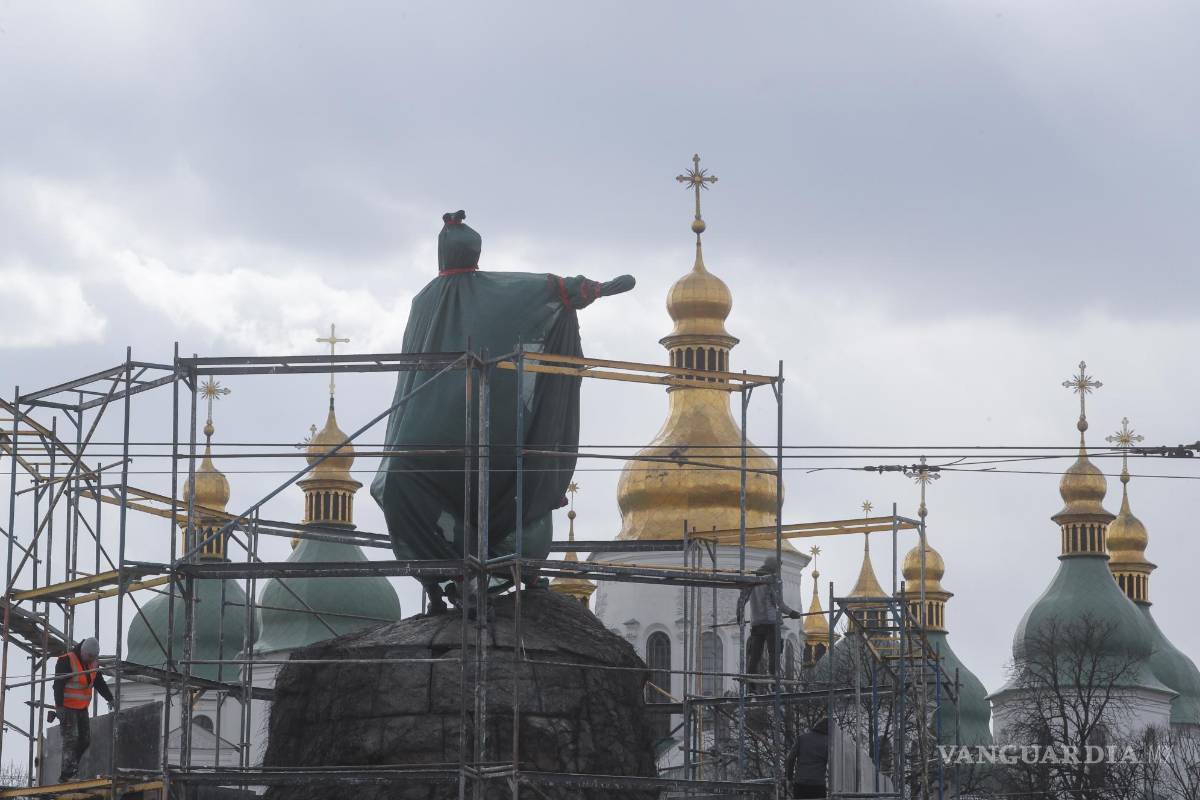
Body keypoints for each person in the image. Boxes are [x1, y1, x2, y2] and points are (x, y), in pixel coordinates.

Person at [51, 637, 113, 783]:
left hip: (82, 707)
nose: (90, 660)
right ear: (83, 651)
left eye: (93, 658)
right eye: (89, 657)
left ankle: (72, 768)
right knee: (71, 740)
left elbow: (99, 683)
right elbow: (58, 685)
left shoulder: (93, 663)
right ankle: (66, 775)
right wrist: (59, 707)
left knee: (84, 740)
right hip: (67, 708)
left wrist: (110, 698)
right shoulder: (66, 660)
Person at [735, 555, 801, 678]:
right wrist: (792, 613)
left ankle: (751, 685)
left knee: (755, 655)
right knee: (774, 653)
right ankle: (773, 680)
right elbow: (778, 603)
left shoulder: (752, 580)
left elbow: (742, 600)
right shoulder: (774, 580)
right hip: (771, 623)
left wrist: (739, 615)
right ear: (774, 567)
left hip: (756, 624)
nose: (779, 570)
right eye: (779, 567)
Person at [787, 717, 830, 799]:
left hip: (800, 784)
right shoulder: (828, 742)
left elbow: (791, 758)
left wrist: (789, 778)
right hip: (818, 785)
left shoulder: (802, 738)